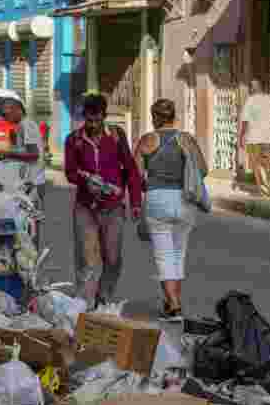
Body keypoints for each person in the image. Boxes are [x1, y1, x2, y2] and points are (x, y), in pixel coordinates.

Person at [64, 93, 143, 309]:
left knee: (113, 258)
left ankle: (104, 296)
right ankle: (85, 303)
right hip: (85, 208)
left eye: (97, 120)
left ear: (104, 116)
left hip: (113, 208)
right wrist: (85, 181)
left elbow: (131, 170)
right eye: (89, 120)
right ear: (84, 117)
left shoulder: (117, 136)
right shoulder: (74, 139)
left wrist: (136, 202)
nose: (93, 124)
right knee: (87, 258)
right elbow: (70, 172)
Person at [135, 99, 207, 322]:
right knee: (178, 254)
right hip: (184, 200)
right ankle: (171, 302)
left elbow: (135, 173)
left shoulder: (147, 140)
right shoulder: (187, 139)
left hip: (157, 200)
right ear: (174, 116)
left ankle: (174, 305)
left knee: (164, 255)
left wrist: (148, 181)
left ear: (154, 116)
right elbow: (203, 169)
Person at [0, 98, 46, 247]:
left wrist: (7, 155)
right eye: (3, 113)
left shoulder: (27, 126)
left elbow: (34, 155)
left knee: (31, 223)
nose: (4, 116)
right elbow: (21, 151)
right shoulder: (20, 127)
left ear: (18, 110)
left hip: (33, 182)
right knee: (26, 223)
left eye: (7, 112)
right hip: (27, 181)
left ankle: (33, 257)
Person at [238, 79, 270, 197]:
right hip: (267, 137)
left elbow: (245, 121)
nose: (250, 89)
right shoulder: (269, 99)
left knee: (255, 163)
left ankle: (261, 190)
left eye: (251, 87)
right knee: (266, 161)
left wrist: (241, 136)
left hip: (254, 137)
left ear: (254, 88)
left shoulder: (250, 101)